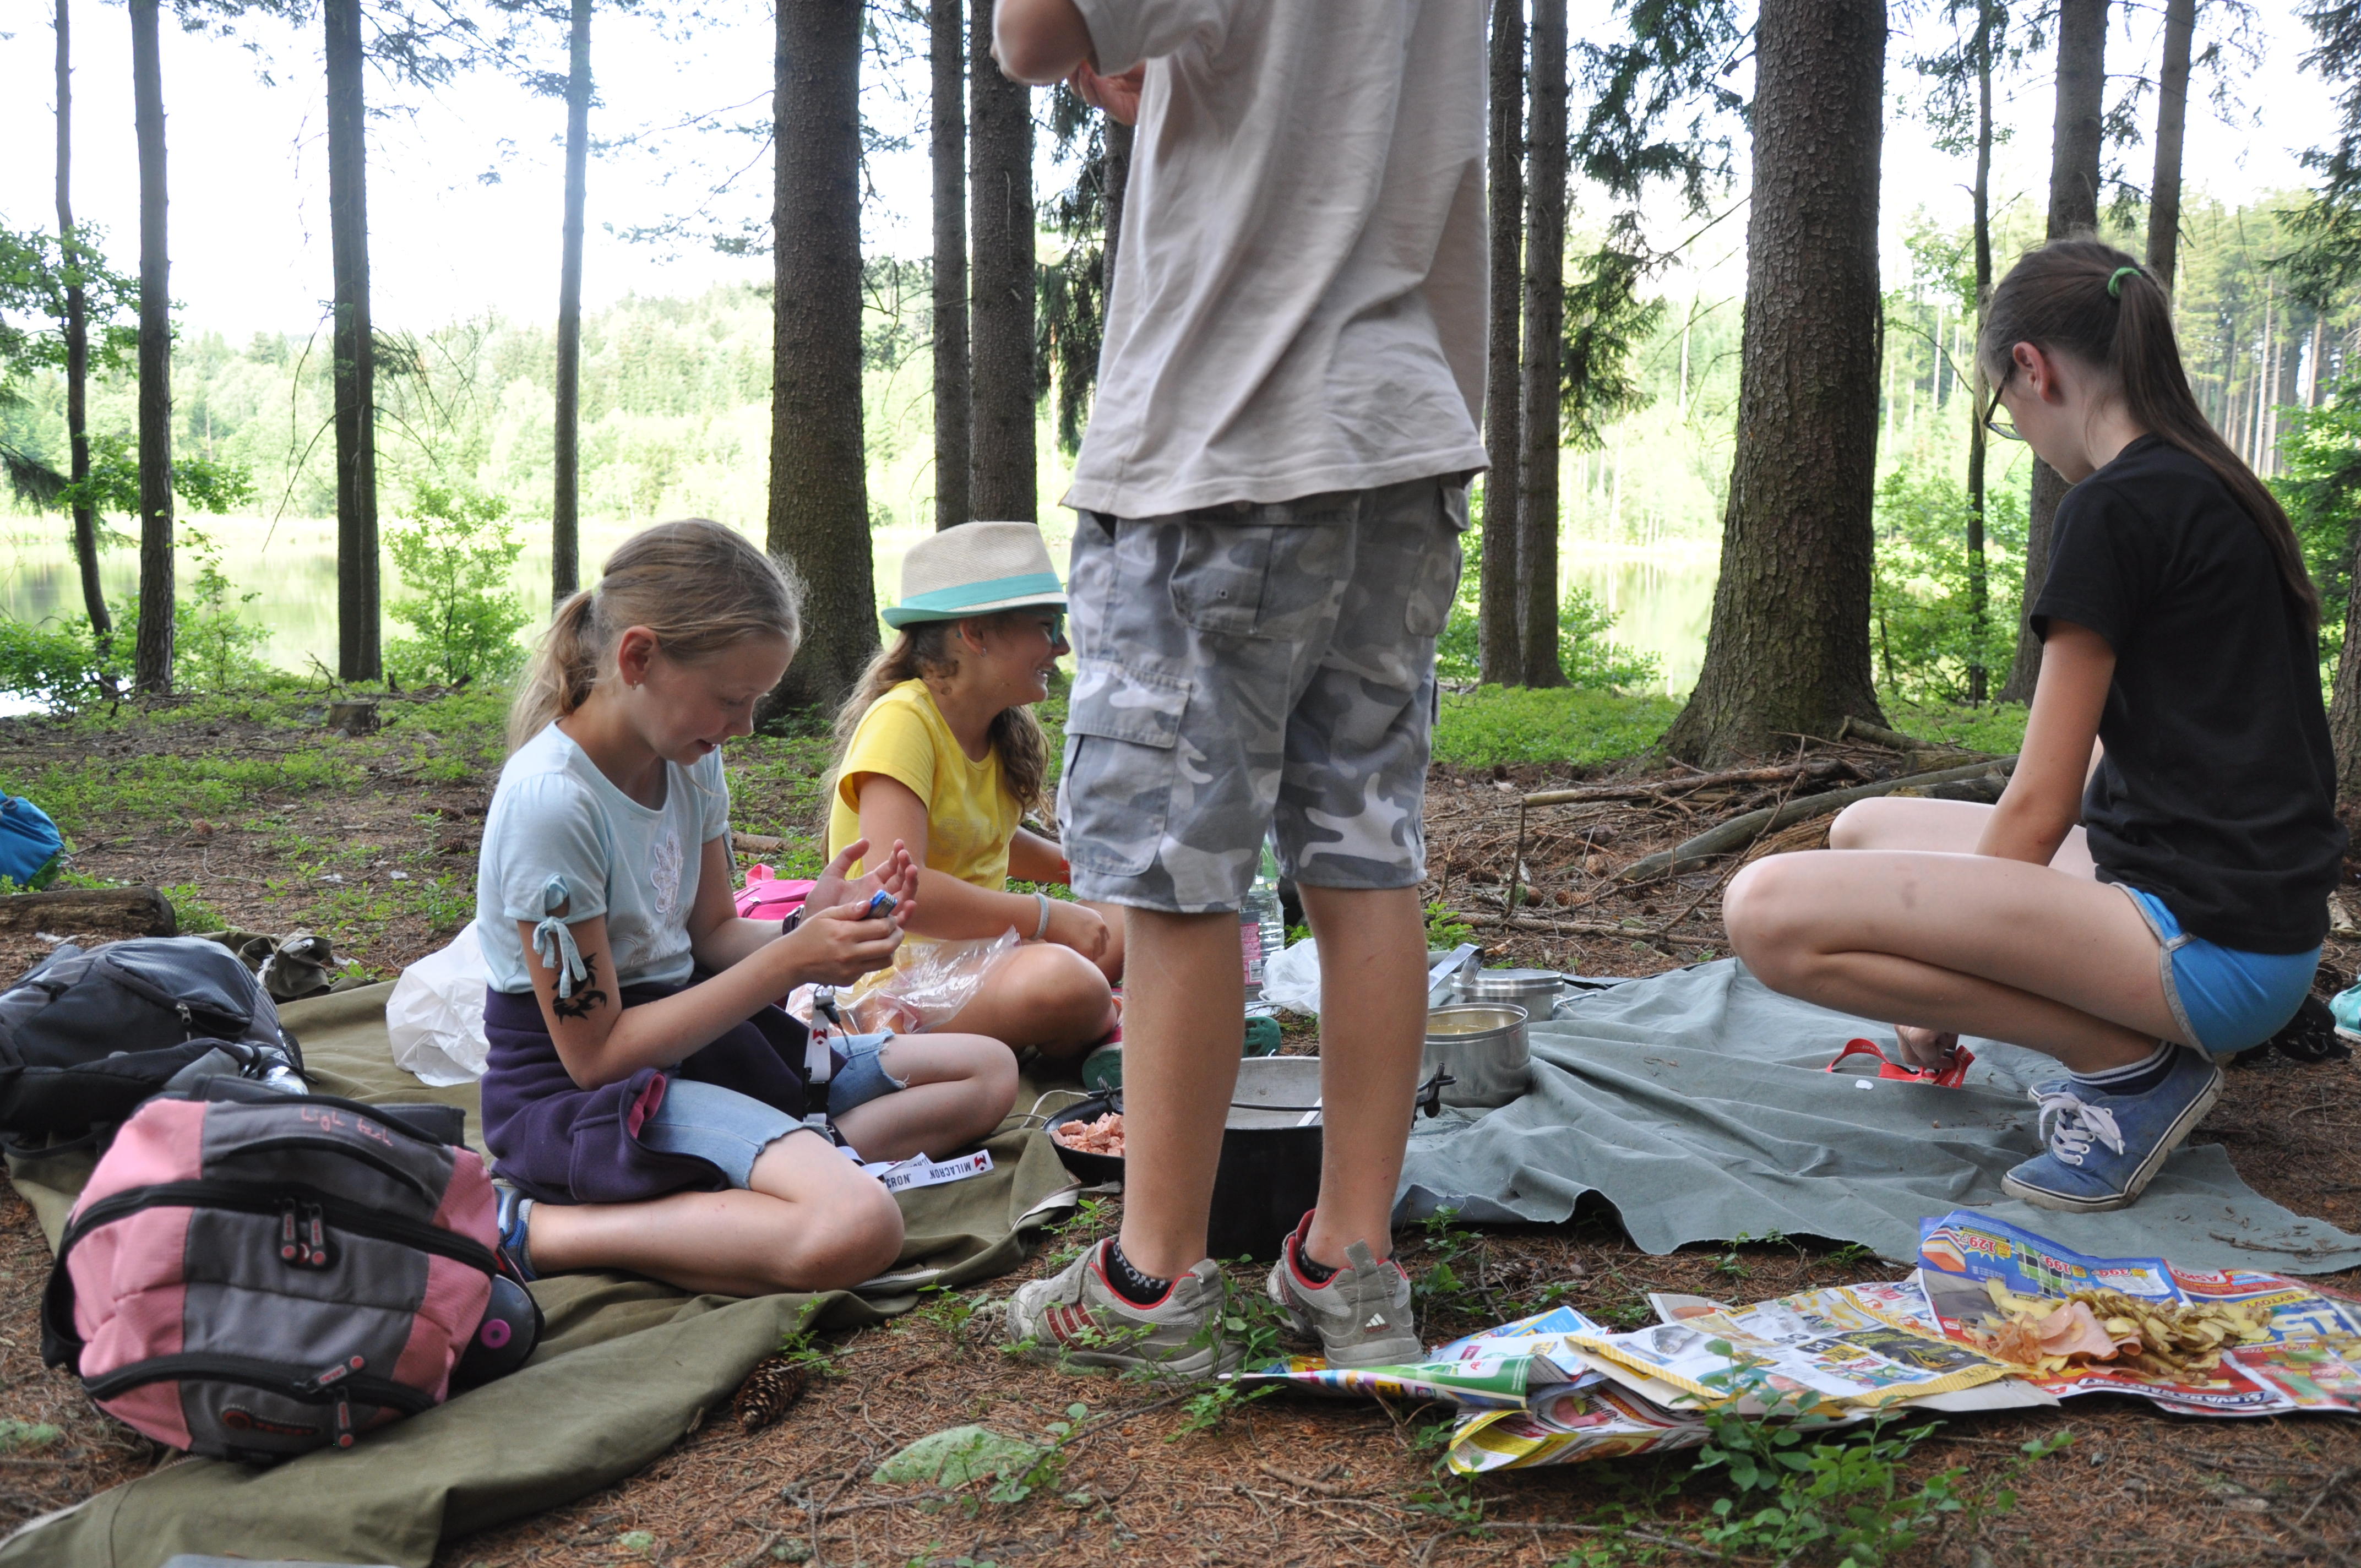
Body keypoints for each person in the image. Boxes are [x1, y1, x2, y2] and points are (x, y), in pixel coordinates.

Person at [993, 0, 1487, 1374]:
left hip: (1223, 430)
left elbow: (1028, 34)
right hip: (1397, 427)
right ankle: (1350, 1262)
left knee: (1173, 871)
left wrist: (1084, 51)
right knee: (1365, 851)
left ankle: (1150, 1281)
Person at [1724, 238, 2346, 1215]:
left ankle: (2130, 1067)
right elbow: (2101, 751)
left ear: (2032, 367)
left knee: (1764, 911)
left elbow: (2040, 804)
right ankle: (2136, 1044)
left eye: (2001, 406)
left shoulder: (2113, 507)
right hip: (2248, 922)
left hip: (2207, 951)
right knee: (1860, 828)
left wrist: (1934, 984)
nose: (2015, 424)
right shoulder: (2214, 483)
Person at [475, 521, 1018, 1296]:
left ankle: (773, 1164)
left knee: (987, 1070)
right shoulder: (553, 805)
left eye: (756, 700)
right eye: (732, 699)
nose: (746, 725)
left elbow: (713, 933)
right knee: (859, 1227)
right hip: (590, 1096)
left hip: (699, 1047)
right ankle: (538, 1228)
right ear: (638, 658)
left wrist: (809, 928)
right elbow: (596, 1056)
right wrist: (790, 963)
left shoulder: (690, 760)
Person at [827, 523, 1123, 1063]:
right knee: (1066, 982)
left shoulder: (993, 727)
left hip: (983, 959)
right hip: (897, 976)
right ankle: (1084, 1026)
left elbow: (983, 838)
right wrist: (1046, 916)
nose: (1062, 646)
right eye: (1047, 626)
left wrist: (1081, 870)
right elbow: (899, 894)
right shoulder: (903, 721)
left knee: (1132, 915)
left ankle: (1074, 1024)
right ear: (976, 633)